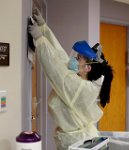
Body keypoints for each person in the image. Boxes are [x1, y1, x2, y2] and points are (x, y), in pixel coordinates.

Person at [28, 9, 113, 150]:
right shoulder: (81, 81)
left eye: (78, 58)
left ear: (87, 68)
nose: (73, 59)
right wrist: (44, 29)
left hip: (80, 142)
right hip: (78, 140)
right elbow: (61, 57)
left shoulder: (78, 87)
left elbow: (55, 68)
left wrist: (40, 39)